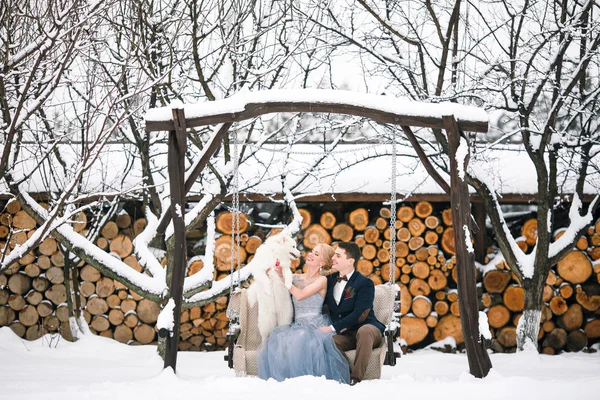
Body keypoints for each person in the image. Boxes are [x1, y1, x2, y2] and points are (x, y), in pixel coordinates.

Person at [257, 243, 350, 384]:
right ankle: (287, 384)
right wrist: (275, 269)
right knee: (278, 341)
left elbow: (300, 295)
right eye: (312, 251)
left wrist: (286, 280)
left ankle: (307, 385)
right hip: (298, 325)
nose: (311, 254)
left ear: (322, 262)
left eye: (316, 254)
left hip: (314, 324)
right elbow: (277, 276)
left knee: (303, 341)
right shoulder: (296, 278)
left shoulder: (321, 280)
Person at [318, 241, 385, 386]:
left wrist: (331, 328)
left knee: (365, 331)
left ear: (350, 261)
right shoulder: (329, 281)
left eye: (337, 255)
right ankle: (343, 375)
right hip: (346, 334)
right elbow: (314, 300)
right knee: (328, 342)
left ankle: (356, 378)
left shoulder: (365, 283)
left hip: (368, 328)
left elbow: (361, 313)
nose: (333, 258)